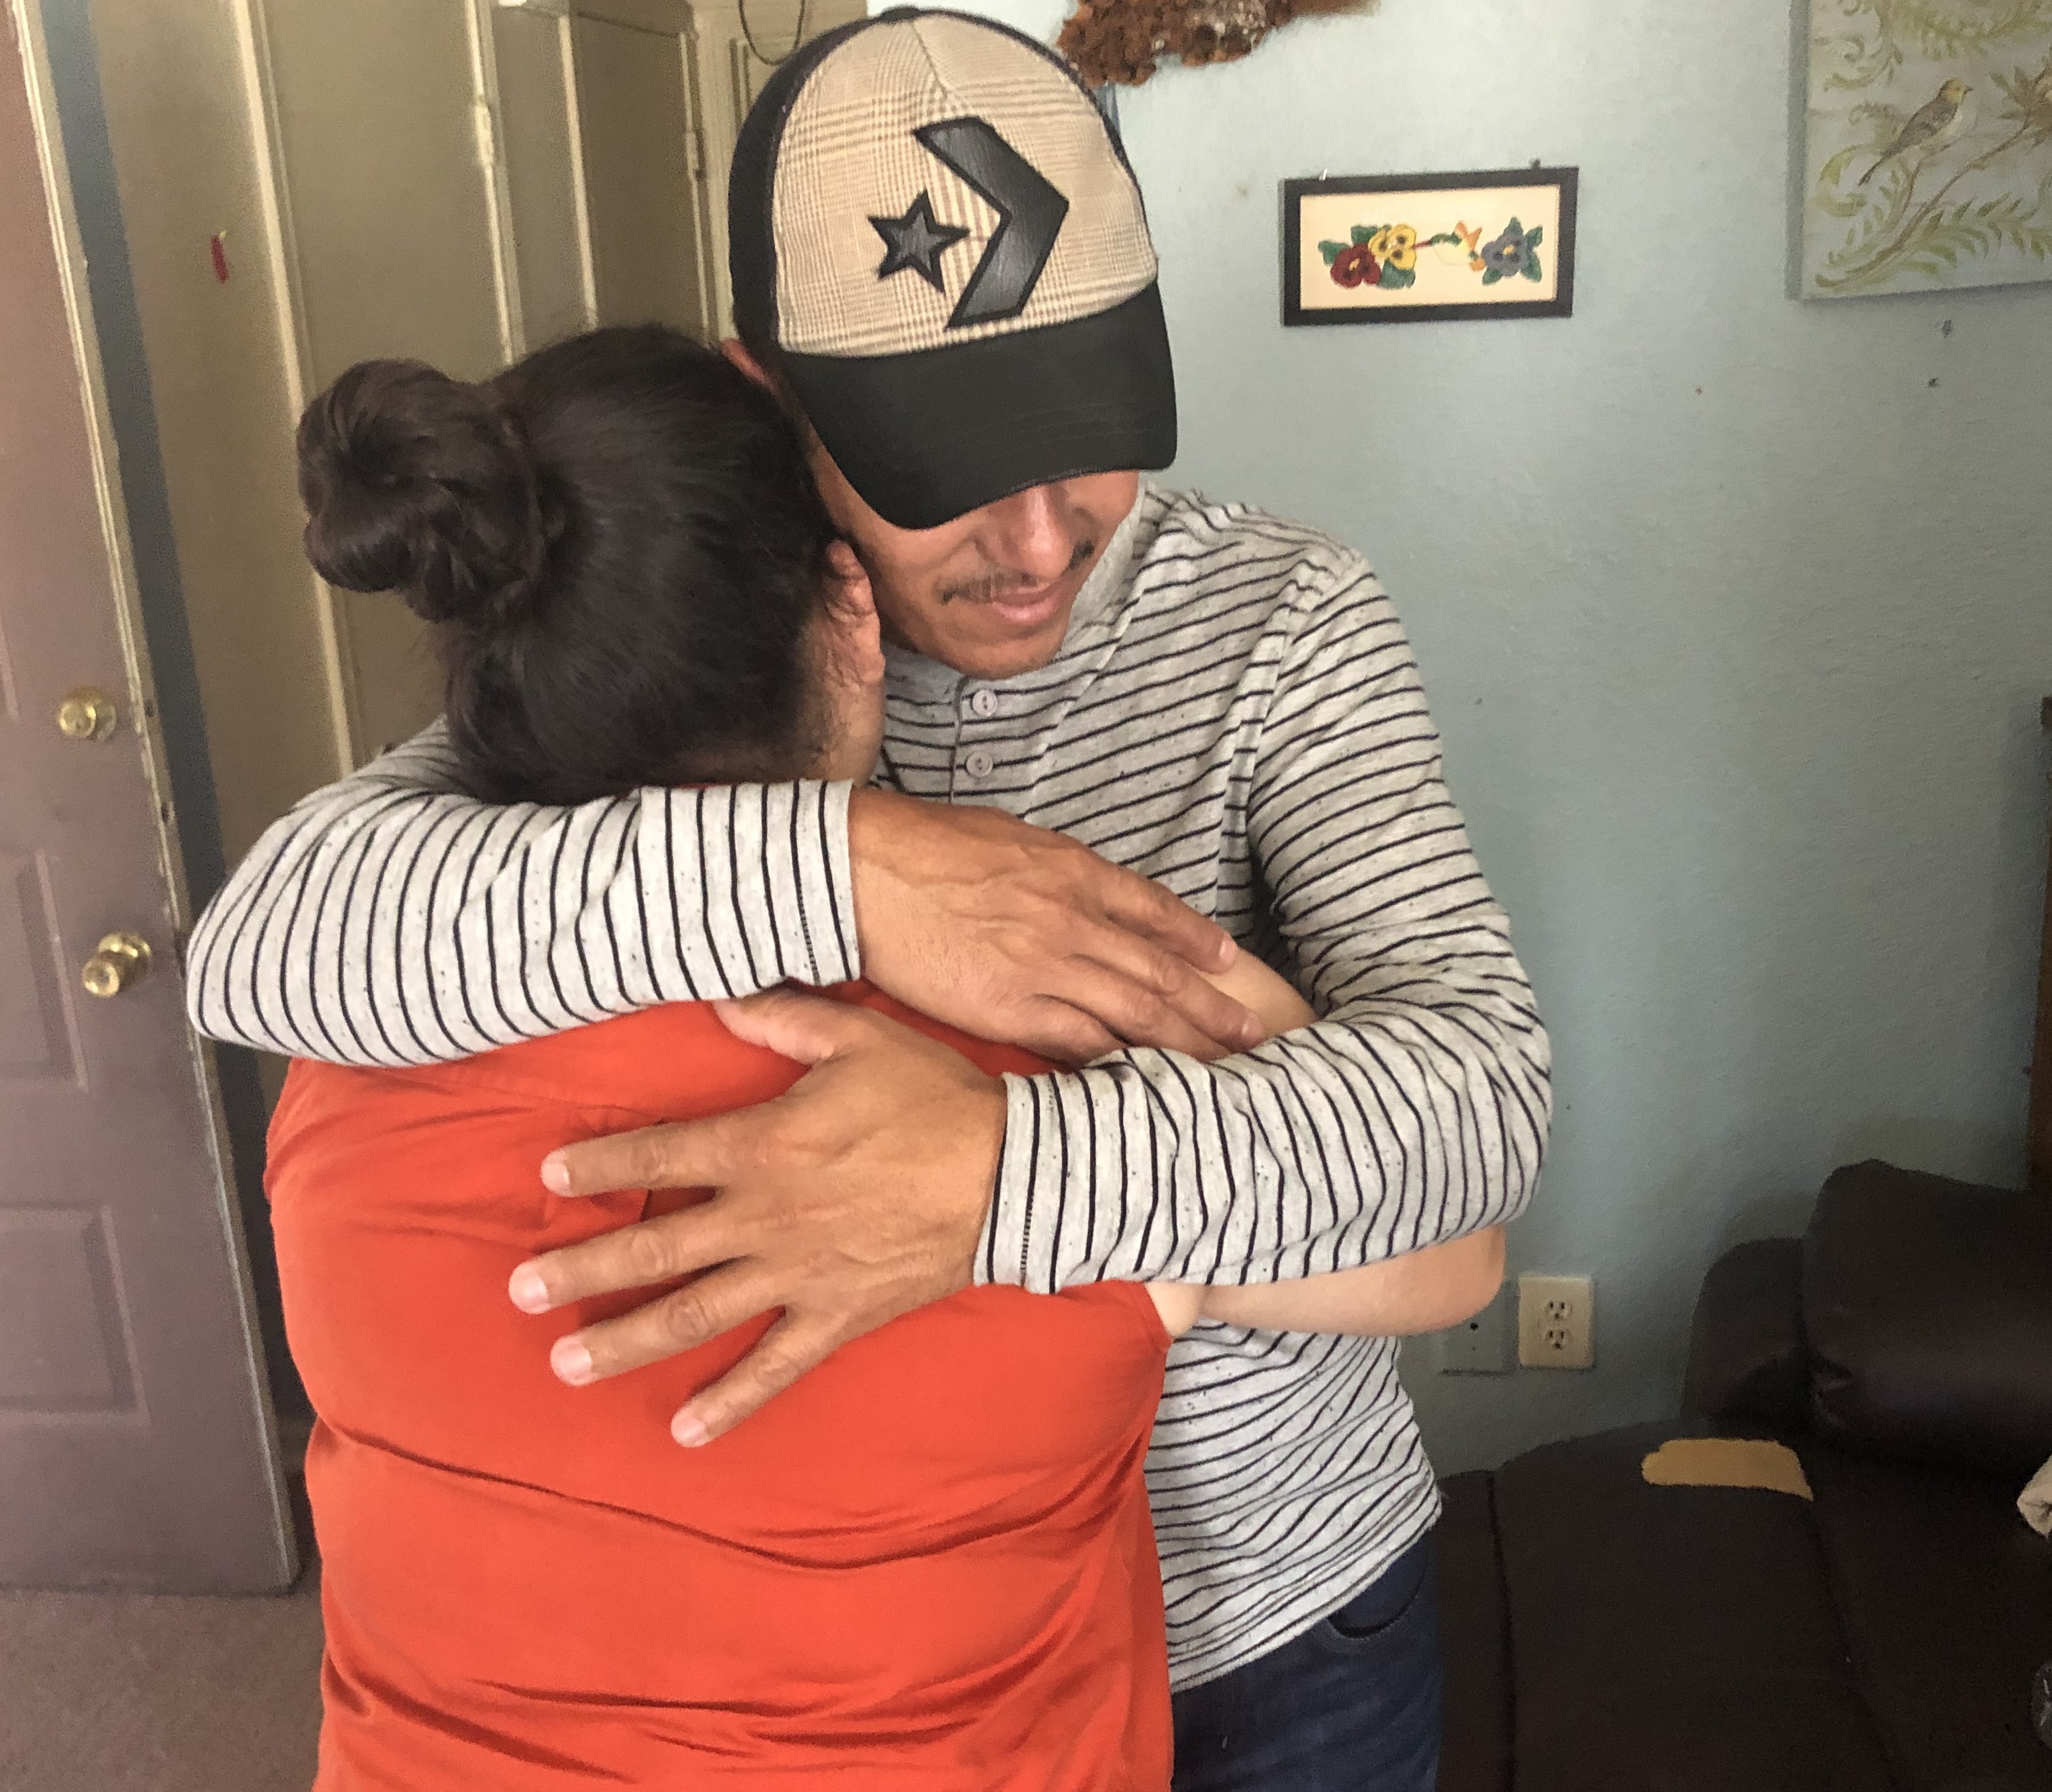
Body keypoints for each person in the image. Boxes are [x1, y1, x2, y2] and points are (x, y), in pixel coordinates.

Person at [193, 11, 1550, 1788]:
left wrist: (994, 1173)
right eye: (942, 471)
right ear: (773, 402)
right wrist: (848, 867)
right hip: (888, 1652)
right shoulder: (682, 618)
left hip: (1279, 1602)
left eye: (1086, 438)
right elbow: (271, 939)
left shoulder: (1283, 616)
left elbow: (1476, 1110)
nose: (1042, 542)